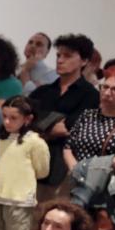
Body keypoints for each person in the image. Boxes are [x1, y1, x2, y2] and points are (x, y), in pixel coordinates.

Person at [30, 34, 101, 201]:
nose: (60, 60)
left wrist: (41, 126)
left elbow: (69, 128)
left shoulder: (90, 95)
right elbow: (25, 121)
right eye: (58, 56)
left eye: (67, 56)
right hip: (32, 164)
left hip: (62, 168)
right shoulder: (43, 92)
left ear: (83, 61)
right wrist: (48, 127)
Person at [0, 96, 50, 230]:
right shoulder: (3, 138)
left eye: (13, 118)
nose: (7, 122)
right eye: (5, 117)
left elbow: (42, 170)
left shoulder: (35, 142)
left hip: (19, 200)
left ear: (28, 119)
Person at [63, 65, 115, 175]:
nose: (107, 93)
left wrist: (91, 170)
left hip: (107, 184)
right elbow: (68, 147)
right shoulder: (87, 115)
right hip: (78, 180)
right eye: (105, 87)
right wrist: (75, 169)